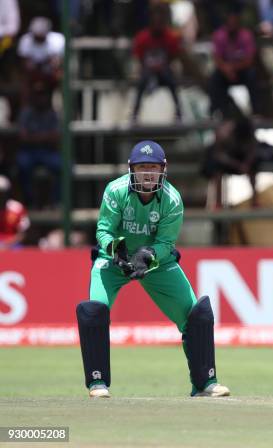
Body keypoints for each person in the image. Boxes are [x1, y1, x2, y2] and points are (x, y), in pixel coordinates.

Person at [76, 140, 230, 398]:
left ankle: (205, 383)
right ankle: (97, 383)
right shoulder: (115, 191)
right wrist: (116, 250)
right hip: (113, 261)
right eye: (142, 167)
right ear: (131, 169)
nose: (148, 173)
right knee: (94, 311)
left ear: (163, 169)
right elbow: (104, 230)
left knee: (196, 314)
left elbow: (166, 242)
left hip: (156, 263)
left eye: (153, 167)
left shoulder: (171, 199)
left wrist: (148, 255)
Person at [132, 5, 183, 122]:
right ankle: (135, 113)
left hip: (164, 70)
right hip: (147, 70)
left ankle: (179, 111)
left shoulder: (169, 37)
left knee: (172, 81)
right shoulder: (142, 37)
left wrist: (163, 65)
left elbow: (174, 55)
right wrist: (149, 67)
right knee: (141, 81)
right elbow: (138, 57)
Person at [16, 82, 61, 208]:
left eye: (43, 94)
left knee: (63, 166)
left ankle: (56, 202)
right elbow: (23, 138)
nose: (40, 97)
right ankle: (30, 202)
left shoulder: (53, 114)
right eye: (37, 94)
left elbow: (56, 137)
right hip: (30, 152)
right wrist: (45, 137)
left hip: (48, 152)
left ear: (47, 96)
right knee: (22, 165)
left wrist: (34, 137)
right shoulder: (26, 113)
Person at [209, 6, 258, 117]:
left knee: (252, 76)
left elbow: (249, 60)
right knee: (214, 79)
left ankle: (256, 112)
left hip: (241, 70)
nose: (232, 25)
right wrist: (226, 69)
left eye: (235, 23)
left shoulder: (246, 36)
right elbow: (216, 58)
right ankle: (215, 111)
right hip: (225, 71)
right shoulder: (219, 35)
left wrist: (233, 68)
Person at [201, 117, 260, 208]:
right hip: (228, 163)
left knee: (253, 168)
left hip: (241, 161)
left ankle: (255, 201)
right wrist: (238, 165)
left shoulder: (246, 132)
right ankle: (218, 203)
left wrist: (246, 164)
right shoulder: (223, 136)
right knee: (217, 171)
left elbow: (253, 149)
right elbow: (220, 156)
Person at [17, 16, 64, 91]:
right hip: (34, 73)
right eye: (36, 35)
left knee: (60, 75)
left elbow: (59, 63)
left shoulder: (57, 40)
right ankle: (27, 102)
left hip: (51, 73)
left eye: (41, 35)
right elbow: (25, 64)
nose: (39, 37)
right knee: (24, 78)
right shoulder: (25, 40)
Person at [0, 175, 30, 250]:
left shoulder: (17, 208)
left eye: (1, 193)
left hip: (13, 245)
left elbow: (23, 233)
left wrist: (6, 245)